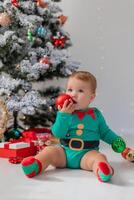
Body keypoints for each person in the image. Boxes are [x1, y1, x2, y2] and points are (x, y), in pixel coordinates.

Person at [21, 70, 127, 182]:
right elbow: (57, 133)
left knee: (98, 157)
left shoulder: (95, 115)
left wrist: (115, 141)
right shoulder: (64, 113)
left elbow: (105, 132)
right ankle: (36, 165)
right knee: (49, 151)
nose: (73, 94)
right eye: (70, 90)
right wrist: (63, 116)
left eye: (80, 91)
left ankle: (102, 170)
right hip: (64, 153)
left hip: (86, 154)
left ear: (91, 97)